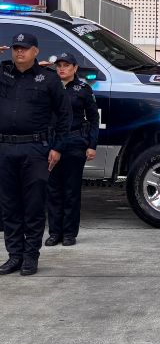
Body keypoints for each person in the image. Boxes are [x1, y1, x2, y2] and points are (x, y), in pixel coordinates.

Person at [0, 34, 71, 277]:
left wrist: (57, 147)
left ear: (36, 51)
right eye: (16, 48)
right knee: (9, 206)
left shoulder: (49, 79)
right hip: (6, 148)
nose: (19, 52)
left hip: (36, 149)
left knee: (33, 204)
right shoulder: (2, 73)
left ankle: (31, 257)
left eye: (25, 48)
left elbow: (64, 116)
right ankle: (14, 256)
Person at [45, 53, 100, 247]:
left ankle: (69, 233)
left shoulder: (83, 89)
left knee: (71, 190)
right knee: (53, 190)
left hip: (75, 142)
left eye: (66, 65)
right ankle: (54, 233)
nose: (61, 69)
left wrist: (92, 145)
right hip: (52, 143)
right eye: (58, 65)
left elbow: (94, 119)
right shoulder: (50, 87)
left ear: (75, 68)